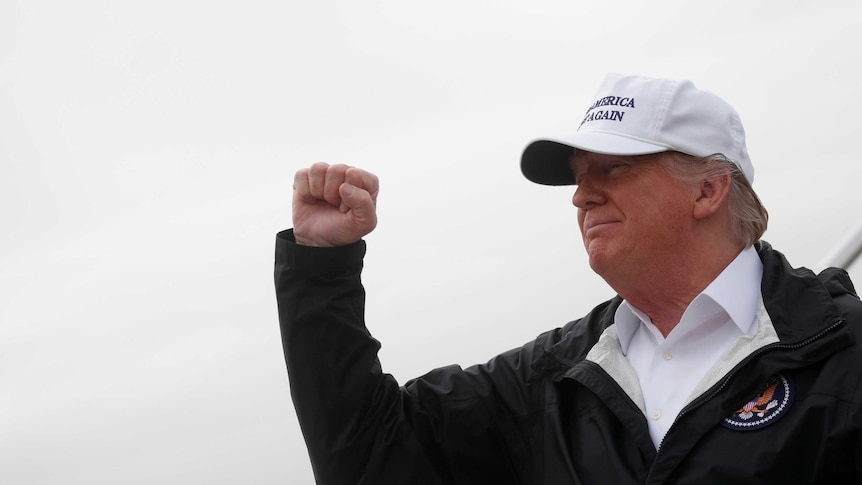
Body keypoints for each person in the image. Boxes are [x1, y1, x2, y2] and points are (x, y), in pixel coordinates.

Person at [274, 73, 862, 484]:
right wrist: (321, 267)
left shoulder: (844, 356)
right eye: (580, 175)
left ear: (709, 189)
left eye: (613, 168)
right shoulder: (553, 380)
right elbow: (368, 457)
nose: (581, 195)